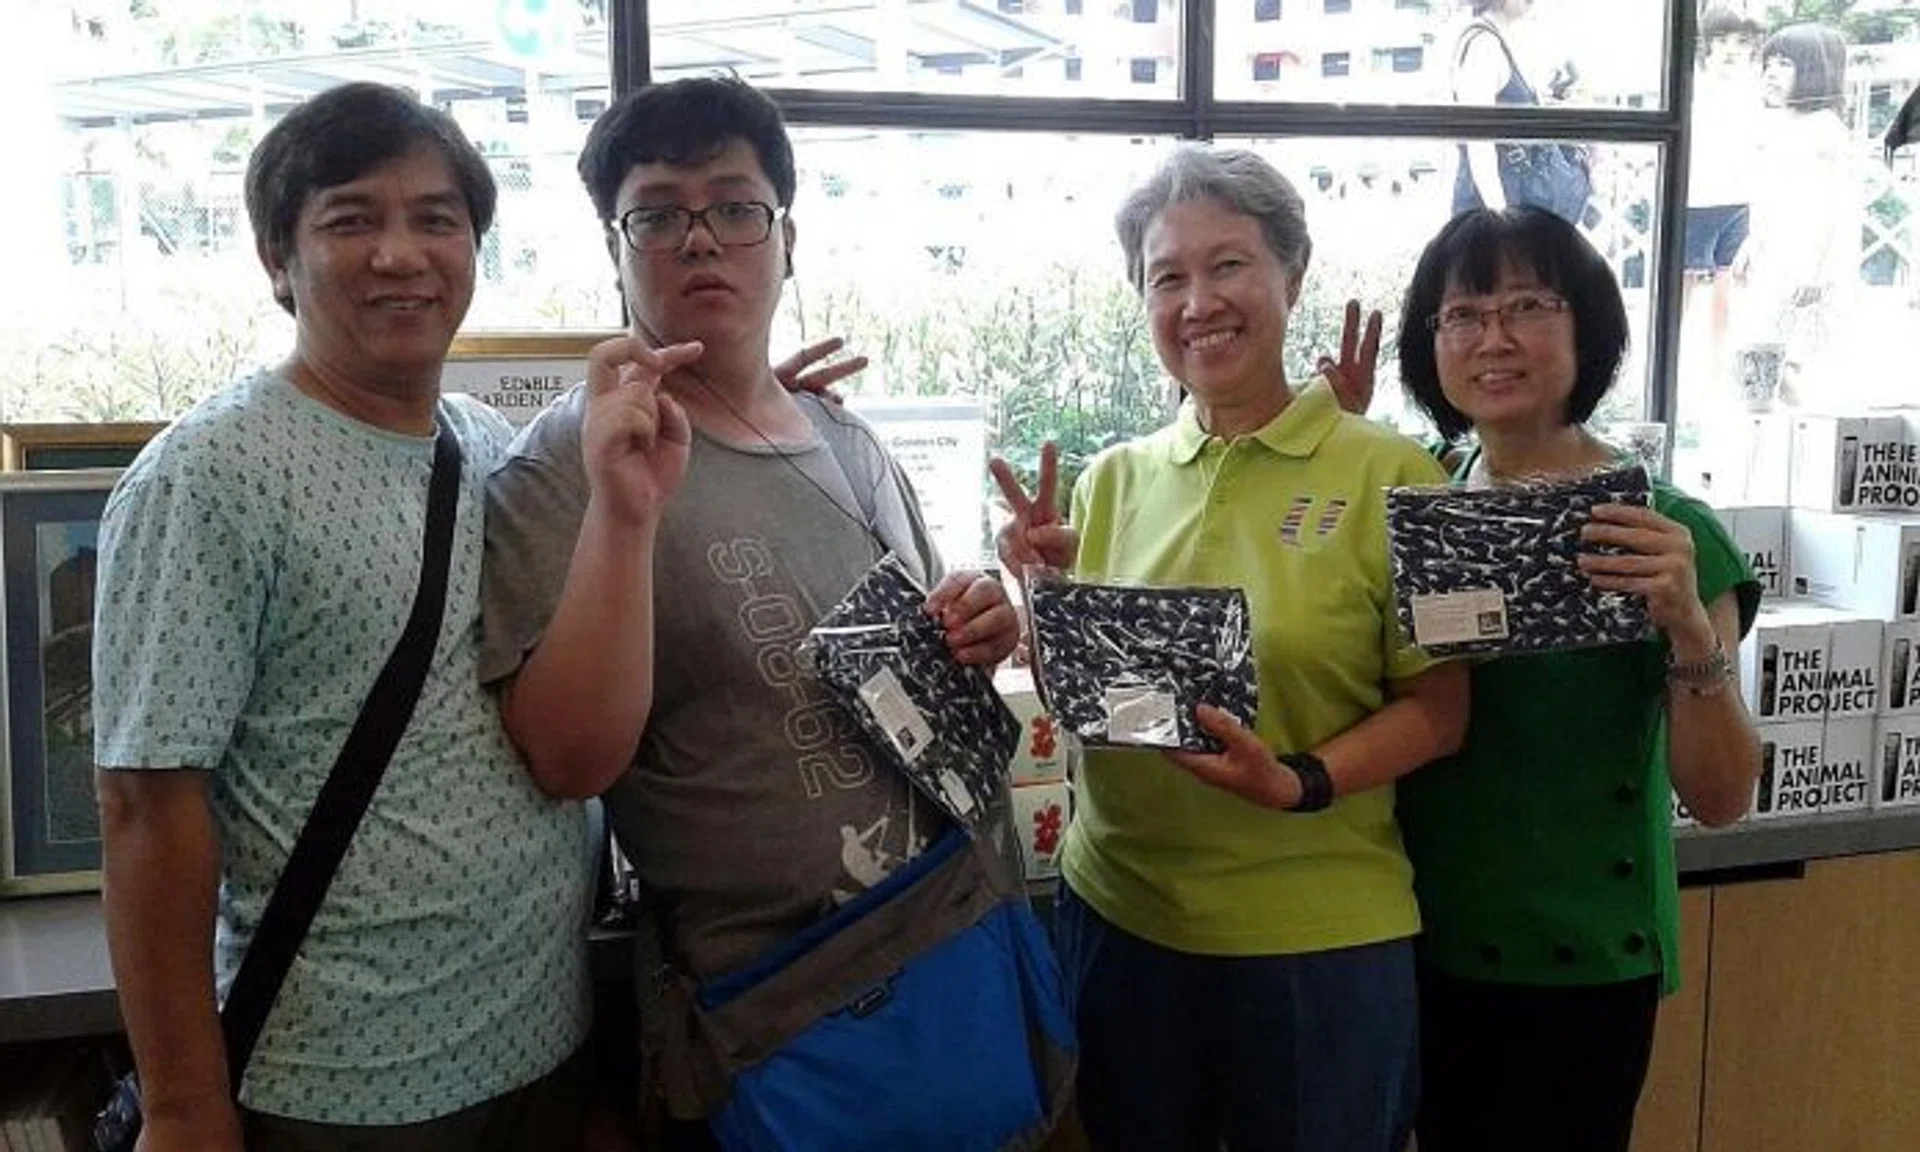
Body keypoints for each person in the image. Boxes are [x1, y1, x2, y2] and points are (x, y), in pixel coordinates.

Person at [477, 76, 1024, 1149]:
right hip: (772, 1012)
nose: (701, 240)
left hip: (953, 944)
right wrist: (625, 516)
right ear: (616, 245)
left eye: (735, 206)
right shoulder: (564, 462)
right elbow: (566, 761)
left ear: (786, 236)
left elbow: (917, 674)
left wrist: (978, 621)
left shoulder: (850, 443)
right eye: (658, 213)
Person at [92, 82, 596, 1152]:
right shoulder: (208, 475)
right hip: (337, 1078)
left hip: (542, 1038)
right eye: (351, 219)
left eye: (436, 218)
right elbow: (145, 805)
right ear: (279, 259)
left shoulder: (484, 442)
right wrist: (184, 1109)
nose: (401, 253)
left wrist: (743, 393)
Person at [994, 145, 1470, 1152]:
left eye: (1229, 265)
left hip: (1315, 943)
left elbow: (1441, 708)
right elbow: (1105, 700)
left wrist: (1297, 780)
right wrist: (1045, 601)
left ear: (1291, 276)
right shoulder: (1116, 480)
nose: (1198, 301)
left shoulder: (1396, 470)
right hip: (1118, 920)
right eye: (1167, 276)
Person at [1391, 205, 1763, 1152]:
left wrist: (1682, 620)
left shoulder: (1664, 528)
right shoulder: (1417, 502)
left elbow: (1721, 797)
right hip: (1407, 939)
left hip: (1579, 964)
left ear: (1586, 326)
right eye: (1463, 313)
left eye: (1529, 305)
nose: (1495, 337)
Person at [1733, 20, 1853, 406]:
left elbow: (1831, 207)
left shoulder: (1824, 131)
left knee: (1779, 359)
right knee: (1760, 360)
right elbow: (1769, 197)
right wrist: (1753, 242)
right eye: (1769, 63)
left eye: (1785, 64)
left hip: (1805, 264)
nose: (1771, 73)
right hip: (1776, 258)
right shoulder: (1781, 125)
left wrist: (1815, 271)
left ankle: (1811, 436)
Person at [1681, 5, 1765, 414]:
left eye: (1741, 42)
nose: (1732, 50)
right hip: (1694, 198)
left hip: (1739, 199)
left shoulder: (1756, 91)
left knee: (1726, 294)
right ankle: (1672, 367)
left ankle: (1712, 379)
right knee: (1680, 291)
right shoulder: (1693, 87)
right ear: (1708, 44)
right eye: (1723, 40)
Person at [1450, 0, 1592, 226]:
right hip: (1492, 211)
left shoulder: (1497, 39)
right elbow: (1479, 145)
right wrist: (1502, 221)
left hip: (1504, 207)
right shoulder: (1483, 45)